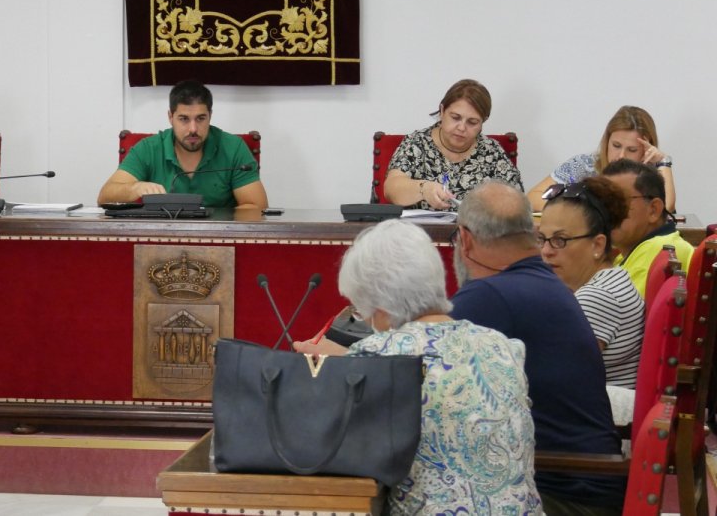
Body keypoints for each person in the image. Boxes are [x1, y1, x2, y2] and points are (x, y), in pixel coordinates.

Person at [295, 220, 541, 514]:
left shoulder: (375, 357)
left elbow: (327, 453)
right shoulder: (503, 346)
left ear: (381, 308)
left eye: (362, 310)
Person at [449, 181, 623, 515]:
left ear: (466, 239)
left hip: (565, 496)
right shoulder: (542, 282)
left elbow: (410, 361)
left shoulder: (491, 295)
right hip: (589, 482)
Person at [538, 178, 643, 425]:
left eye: (560, 240)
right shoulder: (611, 279)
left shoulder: (597, 298)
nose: (546, 251)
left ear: (598, 245)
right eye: (542, 238)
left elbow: (556, 381)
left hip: (603, 436)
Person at [97, 80, 267, 209]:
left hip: (220, 240)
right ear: (170, 117)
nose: (193, 129)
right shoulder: (148, 148)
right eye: (184, 119)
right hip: (160, 240)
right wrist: (135, 188)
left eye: (200, 119)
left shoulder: (233, 148)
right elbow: (105, 196)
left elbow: (257, 207)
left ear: (210, 116)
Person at [383, 79, 522, 210]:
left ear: (483, 122)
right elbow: (391, 189)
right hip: (421, 233)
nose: (461, 128)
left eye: (472, 122)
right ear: (442, 111)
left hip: (478, 233)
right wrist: (423, 188)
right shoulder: (416, 143)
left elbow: (516, 201)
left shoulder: (492, 152)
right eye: (455, 118)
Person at [528, 105, 675, 212]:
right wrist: (580, 211)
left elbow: (667, 207)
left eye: (632, 150)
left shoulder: (653, 171)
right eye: (616, 145)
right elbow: (533, 198)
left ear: (646, 150)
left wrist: (664, 162)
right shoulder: (585, 165)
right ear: (607, 142)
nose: (621, 156)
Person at [601, 158, 694, 297]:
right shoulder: (634, 250)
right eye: (601, 201)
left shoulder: (656, 252)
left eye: (617, 201)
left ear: (653, 210)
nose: (606, 210)